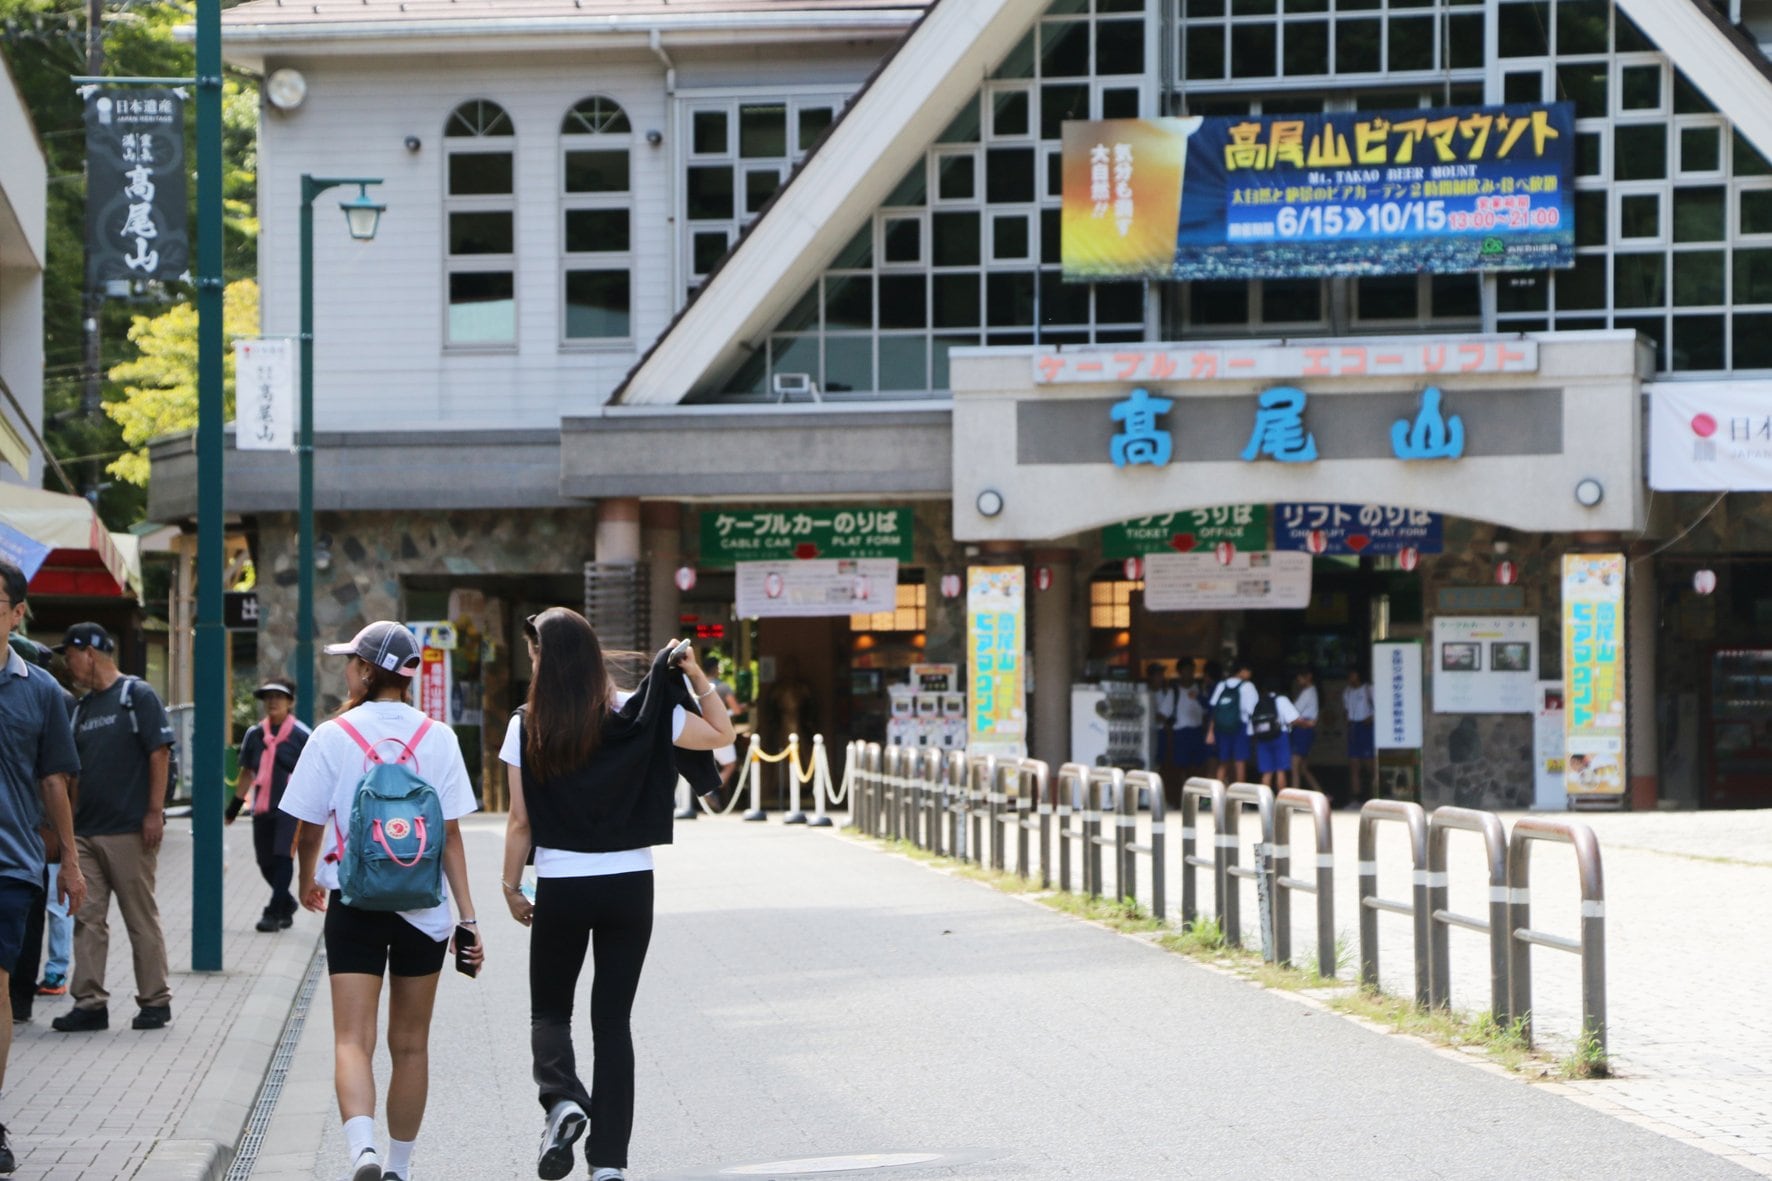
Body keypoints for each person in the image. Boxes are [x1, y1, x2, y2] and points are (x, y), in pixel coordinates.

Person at [500, 611, 732, 1181]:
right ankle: (608, 1164)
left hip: (563, 883)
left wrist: (510, 886)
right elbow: (723, 737)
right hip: (631, 883)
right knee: (613, 1022)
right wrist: (697, 676)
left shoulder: (526, 723)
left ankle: (562, 1101)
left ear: (548, 662)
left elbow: (519, 823)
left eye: (535, 655)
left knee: (551, 1009)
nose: (533, 663)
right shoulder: (643, 710)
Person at [281, 621, 483, 1181]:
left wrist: (307, 880)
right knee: (411, 1045)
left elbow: (307, 824)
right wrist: (467, 918)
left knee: (352, 1038)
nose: (347, 667)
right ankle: (399, 1166)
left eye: (352, 660)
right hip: (426, 909)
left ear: (368, 671)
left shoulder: (331, 735)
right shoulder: (438, 737)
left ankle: (361, 1150)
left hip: (355, 902)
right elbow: (452, 836)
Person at [0, 562, 86, 1172]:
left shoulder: (41, 692)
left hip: (10, 864)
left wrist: (71, 863)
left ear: (15, 612)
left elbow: (56, 779)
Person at [51, 622, 174, 1035]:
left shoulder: (134, 695)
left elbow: (159, 753)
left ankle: (155, 1001)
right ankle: (90, 1003)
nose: (68, 664)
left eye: (69, 654)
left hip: (130, 830)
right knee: (86, 918)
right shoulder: (82, 709)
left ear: (89, 651)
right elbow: (73, 777)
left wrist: (154, 811)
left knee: (139, 918)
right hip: (86, 833)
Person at [232, 681, 311, 933]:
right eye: (268, 697)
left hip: (291, 809)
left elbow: (313, 773)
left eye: (279, 697)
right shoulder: (254, 735)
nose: (273, 702)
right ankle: (286, 903)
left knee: (282, 857)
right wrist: (234, 805)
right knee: (265, 862)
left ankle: (273, 912)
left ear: (290, 702)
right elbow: (246, 771)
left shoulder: (302, 735)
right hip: (262, 807)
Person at [1204, 664, 1258, 783]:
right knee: (1240, 762)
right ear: (1242, 671)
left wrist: (1210, 731)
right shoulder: (1248, 686)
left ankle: (1218, 794)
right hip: (1241, 726)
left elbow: (1215, 709)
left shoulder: (1221, 685)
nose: (1250, 674)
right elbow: (1253, 710)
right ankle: (1239, 796)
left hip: (1221, 727)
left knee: (1223, 762)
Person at [1249, 675, 1301, 791]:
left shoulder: (1259, 701)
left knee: (1267, 772)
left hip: (1262, 738)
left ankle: (1265, 803)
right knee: (1280, 770)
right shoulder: (1281, 699)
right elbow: (1293, 719)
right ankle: (1280, 801)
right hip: (1280, 736)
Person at [1344, 668, 1377, 809]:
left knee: (1370, 766)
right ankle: (1356, 798)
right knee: (1354, 766)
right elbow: (1346, 710)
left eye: (1353, 674)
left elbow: (1379, 707)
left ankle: (1374, 796)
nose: (1351, 677)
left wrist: (1371, 717)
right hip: (1353, 727)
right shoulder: (1347, 692)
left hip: (1366, 726)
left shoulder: (1369, 689)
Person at [1290, 668, 1323, 793]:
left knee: (1295, 766)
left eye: (1300, 677)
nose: (1298, 680)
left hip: (1302, 730)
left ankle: (1294, 798)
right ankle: (1321, 793)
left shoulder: (1308, 692)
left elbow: (1293, 712)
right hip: (1304, 729)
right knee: (1303, 768)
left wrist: (1298, 722)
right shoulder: (1311, 691)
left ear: (1308, 676)